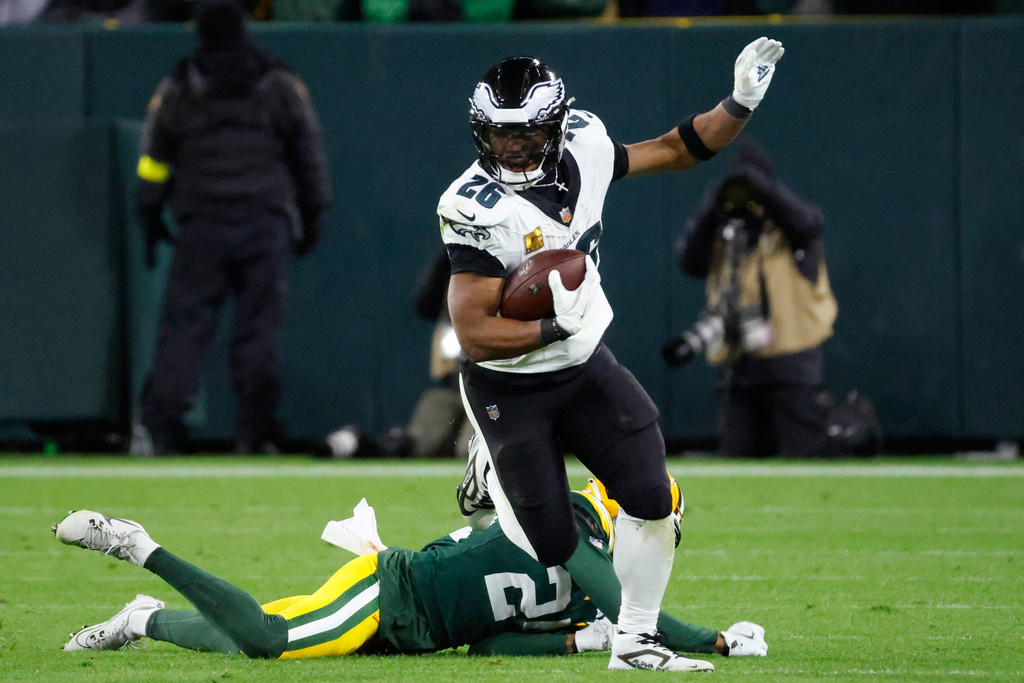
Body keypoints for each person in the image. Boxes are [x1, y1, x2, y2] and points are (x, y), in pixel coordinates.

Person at [437, 39, 783, 670]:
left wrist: (741, 101)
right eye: (497, 135)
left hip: (584, 361)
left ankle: (635, 641)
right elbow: (474, 334)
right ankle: (488, 465)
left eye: (526, 134)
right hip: (506, 386)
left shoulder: (587, 145)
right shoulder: (473, 205)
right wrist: (550, 326)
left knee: (652, 493)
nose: (510, 148)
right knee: (549, 543)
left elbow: (680, 147)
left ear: (558, 125)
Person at [52, 478, 767, 664]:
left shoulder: (595, 589)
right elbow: (637, 611)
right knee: (268, 638)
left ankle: (140, 616)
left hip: (413, 626)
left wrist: (579, 641)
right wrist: (708, 639)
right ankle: (138, 544)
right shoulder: (573, 522)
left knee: (244, 637)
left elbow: (488, 643)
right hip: (393, 591)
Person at [130, 0, 332, 456]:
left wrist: (149, 216)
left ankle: (161, 430)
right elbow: (308, 156)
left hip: (201, 224)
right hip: (265, 222)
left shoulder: (179, 85)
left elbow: (152, 160)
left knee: (184, 329)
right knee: (258, 331)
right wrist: (314, 215)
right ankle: (254, 431)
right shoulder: (278, 82)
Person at [667, 138, 841, 458]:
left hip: (792, 364)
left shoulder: (787, 228)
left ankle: (850, 432)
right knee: (738, 455)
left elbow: (809, 223)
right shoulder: (725, 233)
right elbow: (690, 262)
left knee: (806, 453)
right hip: (742, 365)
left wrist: (766, 191)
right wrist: (713, 208)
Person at [327, 248, 473, 459]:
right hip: (455, 386)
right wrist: (450, 254)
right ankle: (355, 443)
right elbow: (425, 305)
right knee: (419, 444)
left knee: (469, 450)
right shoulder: (456, 255)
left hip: (498, 393)